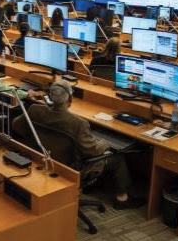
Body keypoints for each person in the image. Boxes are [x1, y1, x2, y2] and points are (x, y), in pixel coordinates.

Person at [11, 79, 145, 210]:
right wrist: (105, 143)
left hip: (40, 160)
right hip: (70, 168)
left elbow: (16, 126)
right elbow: (93, 151)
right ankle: (122, 199)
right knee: (117, 158)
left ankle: (94, 186)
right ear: (69, 99)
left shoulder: (35, 109)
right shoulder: (78, 124)